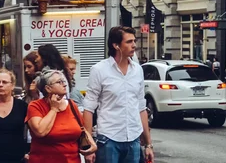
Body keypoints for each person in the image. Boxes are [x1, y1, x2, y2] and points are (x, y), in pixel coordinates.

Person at [84, 26, 153, 163]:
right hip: (108, 139)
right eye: (129, 42)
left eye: (134, 41)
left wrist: (148, 144)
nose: (134, 45)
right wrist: (88, 144)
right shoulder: (99, 70)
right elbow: (88, 108)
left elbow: (141, 107)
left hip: (133, 139)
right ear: (116, 45)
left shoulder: (138, 70)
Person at [27, 70, 95, 163]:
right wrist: (53, 109)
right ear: (48, 88)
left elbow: (82, 128)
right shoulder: (35, 106)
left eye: (64, 81)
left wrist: (92, 144)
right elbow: (40, 131)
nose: (64, 85)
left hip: (72, 160)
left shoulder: (71, 104)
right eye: (59, 82)